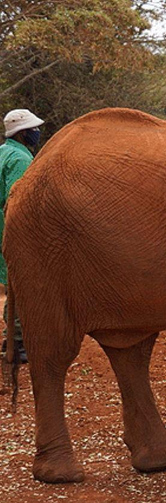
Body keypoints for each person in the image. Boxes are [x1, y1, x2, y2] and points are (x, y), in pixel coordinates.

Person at [0, 108, 44, 364]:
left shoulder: (4, 152)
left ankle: (12, 339)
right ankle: (16, 342)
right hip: (11, 228)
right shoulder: (19, 160)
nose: (36, 133)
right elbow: (18, 201)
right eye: (33, 129)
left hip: (3, 226)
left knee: (13, 285)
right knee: (21, 286)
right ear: (22, 133)